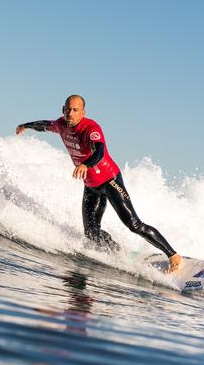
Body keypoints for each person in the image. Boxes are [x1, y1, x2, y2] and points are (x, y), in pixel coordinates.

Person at [16, 95, 182, 272]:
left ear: (83, 112)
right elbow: (44, 125)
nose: (70, 113)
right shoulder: (61, 124)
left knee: (134, 224)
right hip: (91, 186)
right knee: (91, 233)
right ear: (63, 109)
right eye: (68, 109)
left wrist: (85, 164)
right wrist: (25, 125)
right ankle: (116, 251)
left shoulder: (91, 128)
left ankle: (173, 255)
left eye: (75, 110)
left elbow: (100, 151)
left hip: (110, 180)